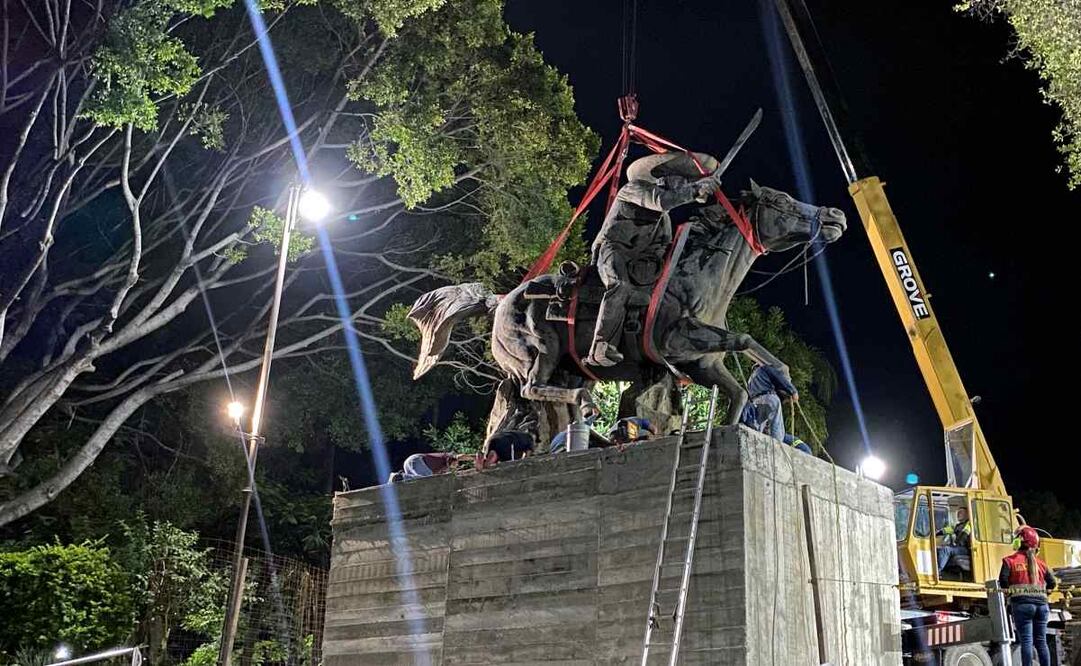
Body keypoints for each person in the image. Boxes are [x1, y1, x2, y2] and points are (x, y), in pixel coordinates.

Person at [587, 152, 721, 367]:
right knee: (619, 285)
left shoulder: (663, 220)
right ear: (664, 179)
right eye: (682, 181)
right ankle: (600, 346)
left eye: (687, 182)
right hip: (613, 250)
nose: (684, 184)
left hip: (639, 264)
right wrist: (695, 190)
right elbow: (660, 201)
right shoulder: (634, 189)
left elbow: (662, 246)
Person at [1000, 526, 1058, 666]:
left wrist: (1009, 592)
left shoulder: (1009, 561)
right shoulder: (1041, 564)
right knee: (1041, 641)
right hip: (1042, 607)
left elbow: (1003, 581)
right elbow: (1052, 583)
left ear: (1020, 541)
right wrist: (1044, 592)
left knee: (1026, 641)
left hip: (1022, 606)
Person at [739, 364, 799, 441]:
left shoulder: (751, 379)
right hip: (769, 399)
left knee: (758, 428)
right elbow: (779, 378)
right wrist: (793, 391)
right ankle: (778, 443)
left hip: (756, 403)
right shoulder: (765, 369)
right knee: (777, 426)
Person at [936, 507, 973, 573]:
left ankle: (938, 570)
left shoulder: (969, 524)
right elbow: (947, 530)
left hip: (965, 549)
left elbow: (964, 536)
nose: (958, 514)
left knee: (946, 549)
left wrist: (956, 544)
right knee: (938, 549)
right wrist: (937, 533)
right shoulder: (958, 526)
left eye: (960, 512)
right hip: (959, 547)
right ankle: (945, 570)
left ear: (967, 514)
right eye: (958, 513)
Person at [400, 452, 473, 480]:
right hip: (419, 461)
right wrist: (474, 457)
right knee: (425, 480)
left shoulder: (444, 467)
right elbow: (459, 457)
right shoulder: (448, 457)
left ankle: (401, 478)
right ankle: (401, 476)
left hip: (408, 463)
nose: (457, 465)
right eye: (457, 464)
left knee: (415, 482)